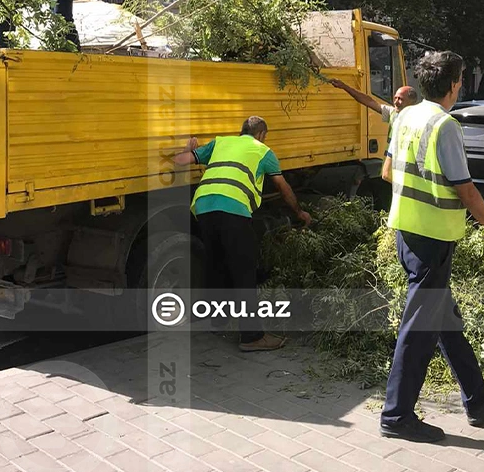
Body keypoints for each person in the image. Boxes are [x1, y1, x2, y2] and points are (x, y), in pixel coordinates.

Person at [380, 50, 484, 443]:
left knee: (442, 317)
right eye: (462, 79)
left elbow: (389, 172)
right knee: (419, 326)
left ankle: (477, 399)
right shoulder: (444, 125)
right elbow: (465, 188)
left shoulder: (406, 115)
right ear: (455, 84)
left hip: (407, 231)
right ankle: (397, 415)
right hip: (433, 237)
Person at [173, 116, 311, 352]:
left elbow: (179, 160)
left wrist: (189, 149)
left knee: (216, 264)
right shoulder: (263, 151)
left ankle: (216, 321)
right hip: (233, 209)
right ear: (261, 134)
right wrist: (299, 212)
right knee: (244, 270)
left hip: (203, 208)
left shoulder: (220, 143)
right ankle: (252, 337)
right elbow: (282, 186)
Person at [328, 79, 417, 122]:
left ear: (411, 102)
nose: (396, 102)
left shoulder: (417, 120)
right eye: (395, 98)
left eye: (400, 99)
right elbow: (368, 101)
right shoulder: (393, 113)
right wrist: (344, 87)